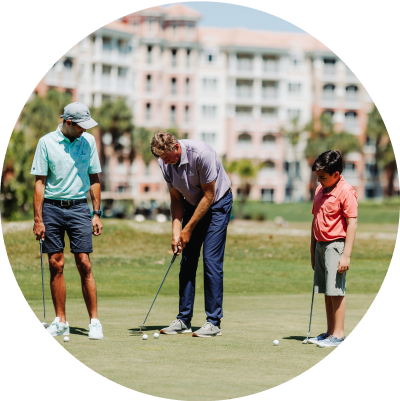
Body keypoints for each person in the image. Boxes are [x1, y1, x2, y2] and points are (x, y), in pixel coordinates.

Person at [31, 102, 104, 339]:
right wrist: (38, 219)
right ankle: (61, 320)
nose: (85, 130)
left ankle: (94, 321)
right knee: (56, 262)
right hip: (52, 207)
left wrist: (96, 213)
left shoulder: (89, 141)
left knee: (84, 262)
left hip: (79, 208)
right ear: (68, 122)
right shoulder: (46, 142)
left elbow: (94, 177)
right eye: (81, 126)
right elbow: (40, 182)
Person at [150, 132, 232, 337]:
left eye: (168, 158)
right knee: (186, 259)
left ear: (176, 147)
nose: (166, 162)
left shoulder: (202, 154)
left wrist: (188, 229)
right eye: (163, 160)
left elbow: (209, 195)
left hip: (217, 204)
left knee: (210, 260)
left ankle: (213, 322)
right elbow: (176, 199)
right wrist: (176, 233)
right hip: (191, 203)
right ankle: (183, 320)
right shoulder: (164, 162)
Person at [308, 150, 357, 347]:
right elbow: (314, 221)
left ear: (336, 174)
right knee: (327, 291)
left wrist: (346, 255)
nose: (319, 181)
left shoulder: (346, 191)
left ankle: (339, 334)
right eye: (317, 177)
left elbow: (352, 224)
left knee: (336, 291)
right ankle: (329, 333)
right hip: (320, 246)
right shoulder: (320, 190)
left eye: (323, 177)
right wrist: (312, 251)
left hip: (336, 246)